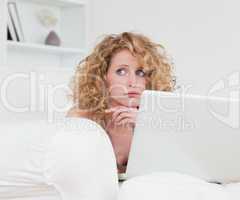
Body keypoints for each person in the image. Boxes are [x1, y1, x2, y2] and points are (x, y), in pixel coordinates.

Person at [66, 31, 176, 177]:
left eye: (141, 73)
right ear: (103, 77)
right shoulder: (83, 116)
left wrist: (145, 124)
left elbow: (169, 170)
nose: (133, 82)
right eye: (121, 71)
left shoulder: (157, 120)